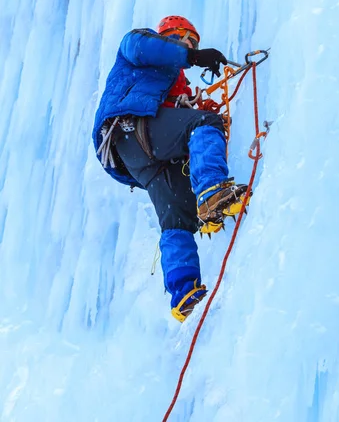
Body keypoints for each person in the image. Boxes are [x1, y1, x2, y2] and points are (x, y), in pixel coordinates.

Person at [93, 16, 248, 321]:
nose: (190, 48)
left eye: (194, 45)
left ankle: (184, 293)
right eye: (186, 40)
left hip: (135, 157)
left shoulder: (171, 86)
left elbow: (175, 118)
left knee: (177, 216)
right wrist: (190, 58)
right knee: (205, 125)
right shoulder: (138, 42)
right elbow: (142, 48)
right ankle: (212, 192)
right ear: (169, 35)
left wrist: (193, 103)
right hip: (131, 125)